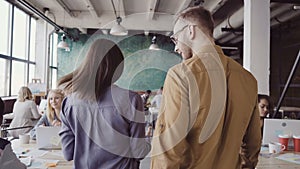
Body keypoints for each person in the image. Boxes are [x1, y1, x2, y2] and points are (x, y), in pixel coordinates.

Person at [150, 6, 261, 169]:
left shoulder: (181, 75)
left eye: (175, 38)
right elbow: (252, 145)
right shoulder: (248, 80)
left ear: (190, 31)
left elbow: (168, 150)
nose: (175, 47)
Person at [57, 39, 151, 169]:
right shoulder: (132, 99)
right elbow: (138, 152)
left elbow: (68, 154)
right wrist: (149, 141)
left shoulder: (68, 103)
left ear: (87, 64)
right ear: (118, 67)